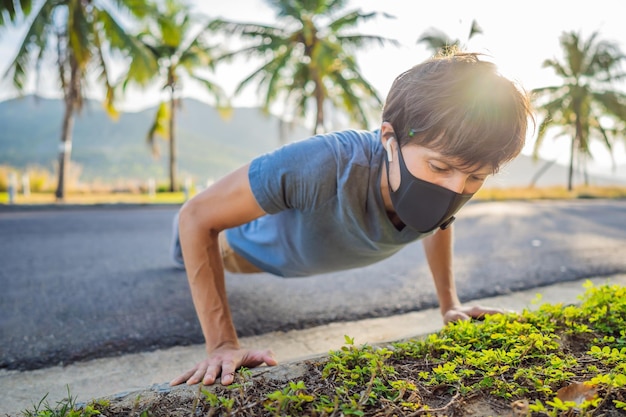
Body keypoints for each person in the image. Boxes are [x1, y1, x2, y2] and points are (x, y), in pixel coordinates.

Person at [169, 52, 533, 387]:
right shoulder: (323, 163)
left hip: (299, 258)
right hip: (237, 247)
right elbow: (197, 217)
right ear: (389, 139)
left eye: (476, 177)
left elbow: (436, 225)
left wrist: (449, 304)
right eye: (440, 167)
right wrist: (221, 344)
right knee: (184, 243)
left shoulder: (440, 187)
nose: (455, 189)